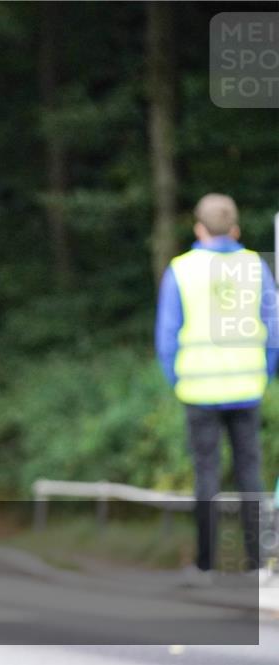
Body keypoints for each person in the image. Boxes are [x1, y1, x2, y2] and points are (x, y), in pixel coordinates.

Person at [155, 193, 278, 580]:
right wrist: (265, 372)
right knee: (250, 475)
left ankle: (206, 565)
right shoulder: (255, 266)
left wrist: (178, 379)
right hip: (247, 387)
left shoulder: (182, 270)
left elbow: (166, 337)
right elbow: (274, 327)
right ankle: (256, 564)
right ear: (236, 229)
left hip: (199, 392)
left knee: (205, 476)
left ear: (199, 229)